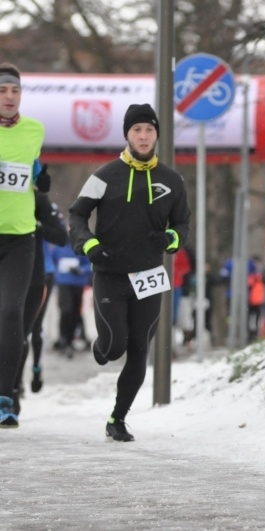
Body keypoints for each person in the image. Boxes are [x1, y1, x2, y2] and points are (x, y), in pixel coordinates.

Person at [69, 103, 191, 442]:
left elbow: (182, 222)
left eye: (149, 130)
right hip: (110, 273)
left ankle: (117, 418)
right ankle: (102, 347)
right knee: (115, 347)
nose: (143, 135)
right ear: (127, 134)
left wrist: (173, 238)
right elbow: (77, 215)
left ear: (156, 135)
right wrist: (88, 244)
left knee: (139, 350)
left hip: (149, 276)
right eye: (136, 130)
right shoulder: (104, 176)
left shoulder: (171, 179)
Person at [0, 63, 48, 428]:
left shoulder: (35, 130)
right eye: (3, 90)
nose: (10, 97)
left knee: (11, 314)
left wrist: (41, 176)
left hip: (20, 237)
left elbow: (33, 172)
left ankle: (7, 397)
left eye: (15, 91)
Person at [12, 191, 68, 413]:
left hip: (40, 274)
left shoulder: (42, 202)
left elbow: (60, 236)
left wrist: (35, 225)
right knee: (10, 330)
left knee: (29, 331)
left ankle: (24, 378)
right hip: (10, 271)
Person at [51, 242, 92, 358]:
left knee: (75, 313)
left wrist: (81, 270)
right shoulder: (59, 248)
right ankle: (64, 340)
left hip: (78, 284)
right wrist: (56, 274)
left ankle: (71, 339)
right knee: (66, 311)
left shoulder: (81, 248)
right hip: (63, 284)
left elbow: (89, 264)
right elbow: (52, 264)